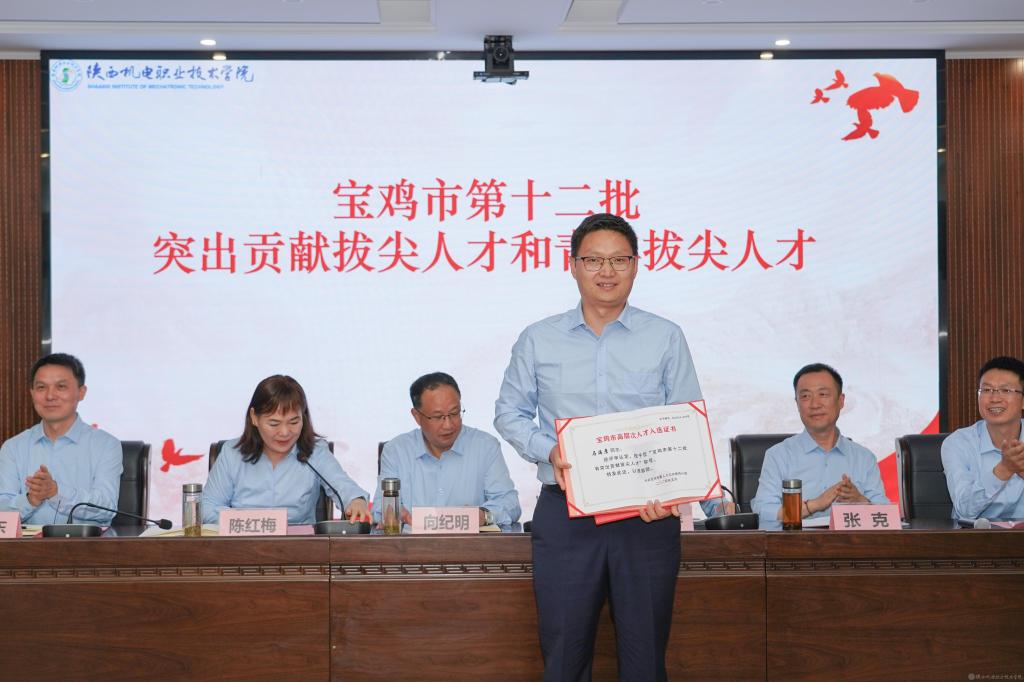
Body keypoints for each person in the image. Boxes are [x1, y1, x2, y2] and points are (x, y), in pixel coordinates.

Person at [494, 213, 702, 681]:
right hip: (567, 514)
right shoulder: (539, 338)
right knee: (564, 654)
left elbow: (686, 420)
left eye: (619, 260)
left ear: (636, 265)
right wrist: (549, 450)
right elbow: (509, 413)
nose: (606, 271)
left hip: (646, 517)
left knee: (646, 657)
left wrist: (672, 489)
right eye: (593, 260)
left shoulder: (665, 336)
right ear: (573, 266)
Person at [203, 375, 370, 525]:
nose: (284, 432)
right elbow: (208, 508)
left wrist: (356, 501)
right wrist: (256, 522)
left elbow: (344, 488)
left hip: (299, 546)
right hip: (243, 543)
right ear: (254, 417)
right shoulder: (232, 453)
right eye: (274, 423)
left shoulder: (315, 452)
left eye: (294, 422)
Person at [373, 372, 520, 527]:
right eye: (438, 417)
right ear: (416, 416)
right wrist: (392, 513)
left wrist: (484, 516)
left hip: (469, 542)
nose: (448, 425)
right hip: (413, 541)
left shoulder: (485, 447)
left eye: (454, 413)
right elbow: (379, 507)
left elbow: (510, 503)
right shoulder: (396, 451)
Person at [750, 363, 889, 528]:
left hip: (849, 543)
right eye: (805, 396)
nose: (815, 404)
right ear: (797, 403)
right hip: (794, 543)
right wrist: (814, 505)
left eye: (823, 394)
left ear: (841, 401)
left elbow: (887, 516)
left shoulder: (864, 458)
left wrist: (861, 502)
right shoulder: (778, 455)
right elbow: (764, 510)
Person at [0, 353, 122, 525]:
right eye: (41, 387)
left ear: (81, 392)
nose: (50, 396)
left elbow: (107, 507)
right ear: (32, 393)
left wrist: (56, 492)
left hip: (86, 542)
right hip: (28, 543)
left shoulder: (106, 445)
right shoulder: (13, 448)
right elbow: (2, 511)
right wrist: (30, 500)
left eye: (61, 386)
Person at [942, 355, 1024, 520]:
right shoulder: (958, 443)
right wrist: (1004, 470)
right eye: (986, 390)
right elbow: (964, 510)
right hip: (977, 535)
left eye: (1006, 390)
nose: (994, 398)